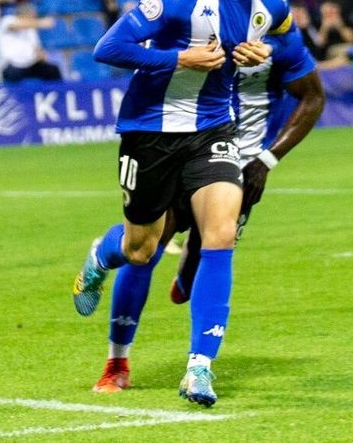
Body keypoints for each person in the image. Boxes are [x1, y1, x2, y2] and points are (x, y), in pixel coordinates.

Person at [72, 0, 292, 408]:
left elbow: (283, 36)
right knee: (141, 248)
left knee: (220, 234)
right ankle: (100, 259)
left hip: (214, 130)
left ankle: (199, 368)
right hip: (150, 134)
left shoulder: (271, 1)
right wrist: (178, 58)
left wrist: (265, 50)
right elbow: (109, 47)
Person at [94, 24, 327, 394]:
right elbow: (124, 54)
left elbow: (313, 96)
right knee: (144, 252)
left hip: (236, 160)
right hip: (175, 146)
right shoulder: (182, 15)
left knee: (197, 270)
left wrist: (265, 160)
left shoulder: (275, 25)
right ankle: (117, 363)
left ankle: (192, 314)